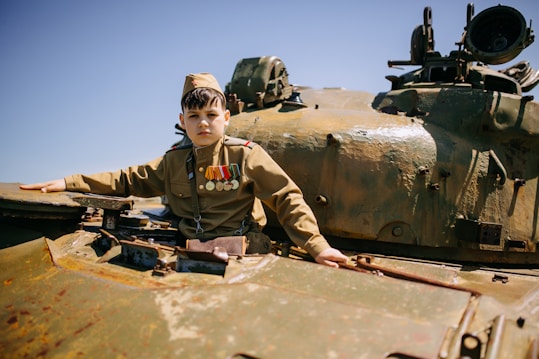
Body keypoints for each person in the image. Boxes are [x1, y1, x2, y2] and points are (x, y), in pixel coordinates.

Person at [21, 73, 348, 268]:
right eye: (194, 116)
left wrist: (317, 247)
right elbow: (127, 180)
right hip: (189, 253)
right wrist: (70, 181)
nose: (203, 122)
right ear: (182, 122)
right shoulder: (174, 161)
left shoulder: (245, 156)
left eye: (211, 114)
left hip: (243, 255)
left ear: (227, 118)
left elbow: (286, 198)